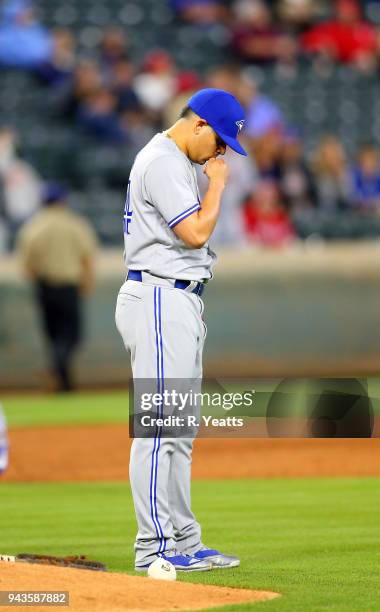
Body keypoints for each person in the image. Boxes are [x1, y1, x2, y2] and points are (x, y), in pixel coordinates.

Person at [115, 88, 246, 572]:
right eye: (220, 143)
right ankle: (154, 547)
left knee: (179, 431)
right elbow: (194, 233)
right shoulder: (165, 160)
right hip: (157, 296)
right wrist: (217, 185)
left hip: (176, 298)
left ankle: (184, 540)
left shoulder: (173, 159)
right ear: (199, 125)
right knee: (157, 428)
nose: (220, 154)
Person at [17, 183, 97, 392]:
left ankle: (64, 384)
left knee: (53, 338)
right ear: (62, 201)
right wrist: (87, 281)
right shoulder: (74, 224)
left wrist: (39, 282)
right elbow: (87, 258)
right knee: (72, 336)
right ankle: (56, 369)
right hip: (69, 287)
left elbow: (27, 266)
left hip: (45, 287)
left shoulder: (33, 226)